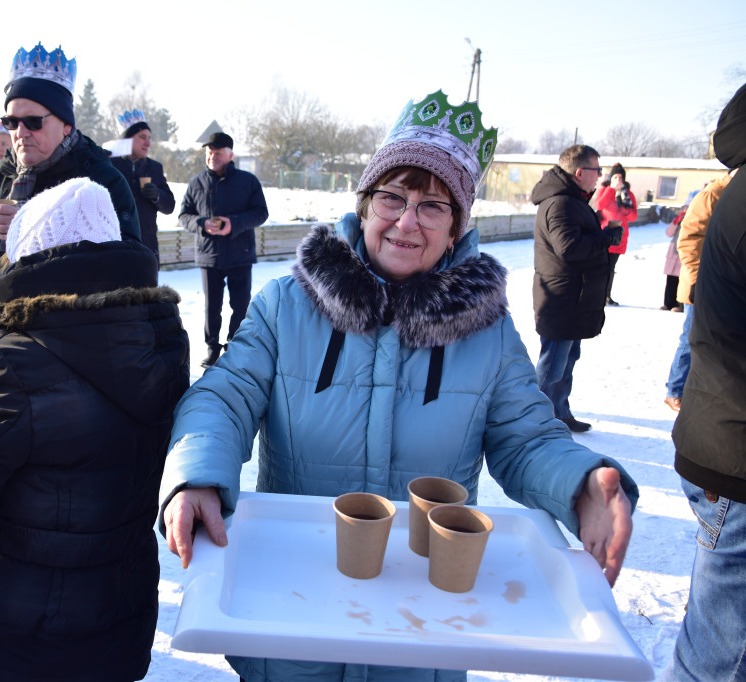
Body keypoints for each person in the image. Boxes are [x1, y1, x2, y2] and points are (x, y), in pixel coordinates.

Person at [158, 91, 638, 682]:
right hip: (293, 622)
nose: (407, 221)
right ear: (364, 205)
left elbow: (526, 437)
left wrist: (582, 485)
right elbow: (223, 396)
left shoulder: (486, 330)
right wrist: (199, 473)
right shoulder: (287, 304)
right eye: (392, 197)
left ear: (458, 225)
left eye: (434, 206)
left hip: (423, 636)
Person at [0, 177, 189, 682]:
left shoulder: (11, 360)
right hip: (121, 608)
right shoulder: (158, 336)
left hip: (20, 625)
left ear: (29, 258)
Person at [0, 43, 141, 354]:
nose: (20, 132)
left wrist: (29, 229)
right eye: (11, 122)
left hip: (60, 351)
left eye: (33, 121)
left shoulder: (99, 181)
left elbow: (127, 265)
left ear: (65, 125)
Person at [663, 81, 746, 682]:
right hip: (734, 454)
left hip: (724, 441)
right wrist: (692, 279)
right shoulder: (725, 195)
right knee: (719, 656)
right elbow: (689, 236)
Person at [532, 144, 623, 432]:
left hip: (573, 298)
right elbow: (569, 248)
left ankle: (559, 413)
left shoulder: (573, 200)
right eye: (597, 170)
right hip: (562, 298)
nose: (600, 176)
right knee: (552, 366)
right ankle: (534, 422)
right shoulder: (561, 202)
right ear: (580, 172)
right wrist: (606, 238)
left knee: (567, 361)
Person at [180, 131, 268, 367]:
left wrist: (234, 224)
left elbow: (261, 213)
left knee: (240, 305)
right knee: (212, 307)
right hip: (209, 254)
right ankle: (212, 348)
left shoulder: (248, 181)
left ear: (230, 155)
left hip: (240, 253)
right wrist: (200, 223)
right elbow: (184, 215)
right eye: (209, 153)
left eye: (217, 153)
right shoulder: (196, 182)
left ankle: (233, 346)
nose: (212, 157)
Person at [663, 170, 736, 412]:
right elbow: (689, 239)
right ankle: (675, 390)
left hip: (723, 282)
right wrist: (696, 281)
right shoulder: (714, 193)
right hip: (701, 283)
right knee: (691, 336)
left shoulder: (735, 193)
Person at [109, 109, 175, 265]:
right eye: (142, 137)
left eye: (149, 138)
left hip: (147, 245)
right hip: (117, 244)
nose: (148, 143)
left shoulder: (154, 168)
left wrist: (157, 195)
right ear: (127, 139)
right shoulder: (110, 166)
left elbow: (170, 206)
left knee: (149, 290)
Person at [595, 162, 637, 306]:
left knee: (610, 268)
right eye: (615, 177)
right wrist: (611, 191)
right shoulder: (604, 190)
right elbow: (599, 205)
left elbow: (632, 216)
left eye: (621, 177)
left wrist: (622, 203)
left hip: (619, 236)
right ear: (611, 178)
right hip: (603, 234)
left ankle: (607, 295)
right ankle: (596, 294)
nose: (618, 180)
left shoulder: (628, 194)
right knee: (599, 267)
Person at [660, 203, 686, 312]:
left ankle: (679, 304)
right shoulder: (678, 221)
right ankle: (668, 303)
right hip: (673, 253)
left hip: (683, 252)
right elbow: (668, 233)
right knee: (670, 280)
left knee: (681, 280)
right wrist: (675, 222)